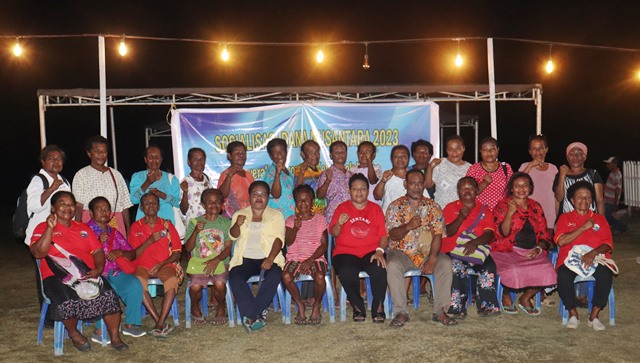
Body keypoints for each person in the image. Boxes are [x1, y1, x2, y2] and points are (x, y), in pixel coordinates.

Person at [30, 191, 127, 352]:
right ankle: (74, 334)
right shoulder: (41, 227)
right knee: (67, 299)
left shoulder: (82, 228)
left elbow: (97, 251)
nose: (67, 207)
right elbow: (38, 253)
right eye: (63, 204)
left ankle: (115, 337)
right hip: (56, 277)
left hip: (85, 274)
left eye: (71, 204)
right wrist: (50, 229)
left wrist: (98, 269)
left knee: (109, 295)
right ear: (53, 208)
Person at [386, 170, 456, 327]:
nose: (416, 187)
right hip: (401, 252)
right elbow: (392, 234)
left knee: (444, 263)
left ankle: (440, 312)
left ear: (424, 185)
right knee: (392, 265)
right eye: (412, 183)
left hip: (426, 253)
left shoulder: (433, 206)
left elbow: (438, 234)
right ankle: (400, 312)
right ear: (406, 184)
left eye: (419, 183)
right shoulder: (395, 206)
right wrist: (408, 226)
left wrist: (432, 259)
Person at [491, 173, 557, 315]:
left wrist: (538, 248)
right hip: (508, 250)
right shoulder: (503, 205)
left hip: (532, 251)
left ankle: (525, 298)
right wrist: (510, 213)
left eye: (525, 185)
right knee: (512, 270)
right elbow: (502, 233)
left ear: (530, 188)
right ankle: (506, 294)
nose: (521, 189)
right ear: (512, 189)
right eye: (517, 186)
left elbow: (545, 234)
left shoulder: (536, 206)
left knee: (549, 271)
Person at [555, 181, 614, 330]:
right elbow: (561, 241)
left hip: (595, 258)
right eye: (579, 197)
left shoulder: (600, 219)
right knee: (562, 275)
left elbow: (608, 244)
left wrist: (593, 253)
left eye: (588, 197)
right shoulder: (565, 218)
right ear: (573, 200)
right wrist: (583, 227)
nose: (584, 200)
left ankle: (594, 316)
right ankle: (573, 314)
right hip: (570, 260)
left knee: (605, 274)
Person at [228, 181, 285, 332]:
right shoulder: (240, 214)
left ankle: (250, 314)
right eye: (255, 194)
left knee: (275, 273)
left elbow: (280, 239)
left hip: (267, 257)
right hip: (245, 258)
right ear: (249, 196)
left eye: (263, 195)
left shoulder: (276, 215)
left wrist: (271, 258)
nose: (259, 198)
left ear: (268, 198)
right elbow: (233, 236)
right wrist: (237, 225)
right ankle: (256, 315)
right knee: (234, 276)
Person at [25, 145, 72, 328]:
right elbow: (35, 206)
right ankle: (48, 319)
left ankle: (66, 309)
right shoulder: (38, 181)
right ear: (43, 162)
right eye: (51, 158)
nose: (56, 162)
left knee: (63, 272)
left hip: (60, 237)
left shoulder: (64, 181)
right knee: (44, 276)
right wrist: (52, 188)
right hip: (40, 236)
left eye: (59, 159)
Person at [330, 173, 388, 323]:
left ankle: (378, 307)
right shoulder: (341, 208)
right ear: (349, 191)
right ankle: (357, 306)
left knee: (379, 268)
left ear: (368, 191)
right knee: (346, 270)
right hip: (345, 252)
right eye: (355, 189)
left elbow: (383, 235)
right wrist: (339, 224)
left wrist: (380, 251)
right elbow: (334, 233)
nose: (359, 192)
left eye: (362, 189)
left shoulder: (375, 209)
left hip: (371, 251)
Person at [87, 196, 146, 338]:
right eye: (99, 209)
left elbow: (132, 253)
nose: (103, 212)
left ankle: (130, 324)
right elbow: (78, 254)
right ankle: (101, 329)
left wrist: (121, 252)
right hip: (95, 273)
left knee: (135, 285)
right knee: (105, 290)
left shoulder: (114, 232)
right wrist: (96, 242)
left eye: (106, 209)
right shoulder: (84, 231)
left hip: (115, 272)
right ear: (90, 213)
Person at [442, 177, 500, 319]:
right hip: (453, 250)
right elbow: (447, 232)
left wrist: (475, 243)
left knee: (489, 267)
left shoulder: (485, 209)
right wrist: (460, 218)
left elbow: (490, 234)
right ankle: (458, 308)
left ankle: (487, 306)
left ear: (476, 191)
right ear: (458, 192)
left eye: (471, 188)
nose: (467, 191)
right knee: (457, 268)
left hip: (478, 249)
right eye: (463, 188)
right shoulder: (450, 207)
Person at [128, 193, 182, 338]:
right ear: (141, 207)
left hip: (164, 265)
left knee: (172, 281)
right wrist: (149, 241)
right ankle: (159, 321)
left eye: (153, 202)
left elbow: (177, 253)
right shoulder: (135, 227)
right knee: (138, 283)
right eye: (146, 203)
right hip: (142, 266)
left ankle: (159, 323)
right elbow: (133, 254)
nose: (150, 205)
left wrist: (161, 264)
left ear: (158, 206)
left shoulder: (167, 225)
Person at [184, 188, 232, 326]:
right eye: (209, 202)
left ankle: (221, 306)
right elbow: (188, 248)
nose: (214, 205)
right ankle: (194, 307)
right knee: (195, 287)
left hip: (221, 262)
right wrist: (196, 232)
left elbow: (228, 248)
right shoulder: (194, 222)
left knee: (219, 284)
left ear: (222, 204)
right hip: (200, 263)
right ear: (203, 205)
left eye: (217, 202)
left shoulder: (226, 223)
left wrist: (216, 260)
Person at [282, 184, 328, 325]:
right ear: (295, 203)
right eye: (299, 201)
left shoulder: (320, 220)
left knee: (320, 276)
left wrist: (310, 259)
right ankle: (300, 304)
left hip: (315, 257)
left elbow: (324, 245)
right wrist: (295, 228)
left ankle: (316, 305)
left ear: (312, 201)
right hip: (295, 257)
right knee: (286, 276)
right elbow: (288, 242)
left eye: (306, 200)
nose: (303, 203)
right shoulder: (291, 220)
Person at [73, 135, 133, 237]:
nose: (101, 154)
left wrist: (128, 229)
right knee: (94, 251)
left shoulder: (116, 174)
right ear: (89, 153)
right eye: (97, 151)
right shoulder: (81, 175)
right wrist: (78, 228)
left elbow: (124, 205)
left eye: (104, 151)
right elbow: (78, 206)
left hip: (114, 221)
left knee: (117, 252)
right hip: (90, 222)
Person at [130, 145, 181, 224]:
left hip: (166, 224)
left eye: (157, 157)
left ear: (161, 159)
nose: (154, 160)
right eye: (151, 157)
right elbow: (134, 200)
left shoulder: (171, 179)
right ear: (145, 159)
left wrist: (162, 195)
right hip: (144, 224)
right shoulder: (138, 177)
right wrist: (147, 182)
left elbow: (178, 203)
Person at [553, 142, 605, 217]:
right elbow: (559, 198)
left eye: (580, 154)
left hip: (590, 220)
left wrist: (602, 222)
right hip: (568, 222)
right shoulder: (560, 175)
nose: (575, 156)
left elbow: (600, 200)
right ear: (567, 157)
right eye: (572, 154)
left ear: (585, 156)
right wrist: (562, 176)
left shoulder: (593, 174)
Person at [519, 134, 558, 231]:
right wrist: (531, 165)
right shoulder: (524, 166)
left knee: (548, 244)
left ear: (546, 149)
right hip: (530, 216)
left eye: (541, 148)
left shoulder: (553, 168)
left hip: (550, 217)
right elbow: (517, 183)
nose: (538, 151)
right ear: (530, 152)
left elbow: (558, 195)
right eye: (534, 149)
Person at [466, 136, 513, 211]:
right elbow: (468, 193)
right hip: (480, 215)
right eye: (485, 150)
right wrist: (484, 183)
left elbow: (512, 190)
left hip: (501, 214)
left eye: (492, 149)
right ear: (480, 151)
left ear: (498, 150)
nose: (489, 152)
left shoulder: (506, 167)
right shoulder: (474, 169)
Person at [426, 135, 471, 210]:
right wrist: (430, 167)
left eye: (458, 149)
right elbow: (428, 185)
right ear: (446, 150)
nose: (454, 153)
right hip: (441, 210)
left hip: (461, 212)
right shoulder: (439, 164)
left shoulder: (470, 168)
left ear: (463, 149)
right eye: (450, 149)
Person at [317, 140, 352, 224]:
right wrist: (327, 181)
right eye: (337, 152)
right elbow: (319, 196)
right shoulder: (327, 173)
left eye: (342, 152)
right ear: (331, 155)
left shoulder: (352, 175)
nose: (340, 155)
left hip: (350, 217)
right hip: (333, 216)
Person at [218, 141, 255, 219]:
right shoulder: (225, 174)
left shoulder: (249, 175)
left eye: (243, 153)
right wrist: (229, 177)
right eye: (237, 153)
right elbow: (221, 196)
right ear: (229, 156)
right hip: (231, 218)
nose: (241, 155)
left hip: (248, 216)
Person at [264, 138, 296, 219]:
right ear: (271, 156)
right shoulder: (271, 172)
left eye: (282, 151)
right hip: (279, 219)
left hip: (291, 217)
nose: (280, 155)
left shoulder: (287, 171)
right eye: (276, 153)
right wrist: (277, 174)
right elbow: (276, 194)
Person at [179, 147, 213, 223]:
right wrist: (185, 193)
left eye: (202, 159)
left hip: (208, 223)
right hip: (194, 224)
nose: (199, 162)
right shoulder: (185, 182)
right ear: (189, 162)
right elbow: (183, 211)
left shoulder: (207, 179)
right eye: (195, 159)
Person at [374, 145, 410, 214]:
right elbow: (377, 196)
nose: (400, 159)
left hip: (409, 219)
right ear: (391, 159)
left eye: (403, 156)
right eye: (396, 156)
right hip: (389, 218)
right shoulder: (386, 175)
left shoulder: (414, 177)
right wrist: (383, 181)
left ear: (408, 158)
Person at [294, 139, 326, 214]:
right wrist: (302, 173)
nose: (315, 155)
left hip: (320, 214)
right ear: (303, 154)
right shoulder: (300, 170)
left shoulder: (321, 172)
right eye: (311, 152)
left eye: (317, 152)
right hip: (305, 214)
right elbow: (296, 191)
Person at [602, 156, 627, 233]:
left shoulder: (615, 174)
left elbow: (617, 190)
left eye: (609, 164)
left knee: (607, 218)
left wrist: (616, 203)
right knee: (608, 217)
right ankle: (623, 228)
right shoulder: (613, 173)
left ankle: (622, 228)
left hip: (611, 201)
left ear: (614, 164)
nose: (607, 165)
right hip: (608, 200)